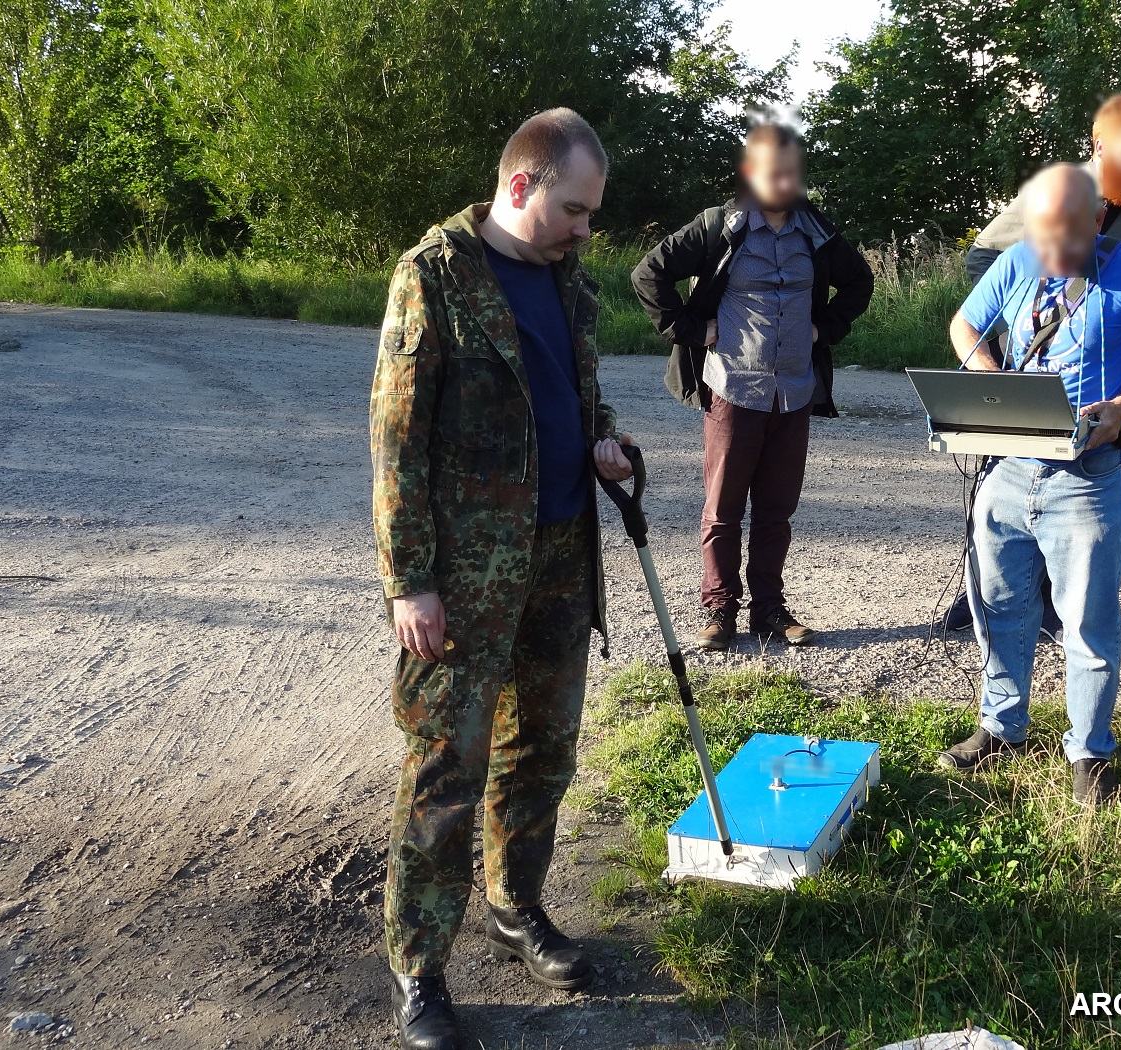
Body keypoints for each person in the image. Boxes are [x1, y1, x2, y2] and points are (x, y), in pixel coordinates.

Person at [369, 107, 633, 1050]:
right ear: (521, 186)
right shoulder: (433, 278)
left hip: (562, 556)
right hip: (467, 577)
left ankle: (514, 905)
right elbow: (395, 447)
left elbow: (577, 391)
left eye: (592, 213)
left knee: (542, 755)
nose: (584, 229)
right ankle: (420, 970)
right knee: (446, 774)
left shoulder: (570, 282)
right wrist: (410, 581)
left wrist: (603, 441)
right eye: (574, 208)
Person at [938, 164, 1121, 805]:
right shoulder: (1019, 258)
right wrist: (990, 379)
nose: (1050, 254)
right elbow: (963, 326)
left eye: (1066, 240)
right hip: (1005, 469)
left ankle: (1089, 753)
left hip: (1086, 478)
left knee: (1086, 625)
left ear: (1099, 220)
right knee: (999, 611)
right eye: (1043, 237)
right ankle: (1001, 730)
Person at [631, 122, 874, 651]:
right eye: (773, 173)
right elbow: (648, 274)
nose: (784, 182)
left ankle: (769, 609)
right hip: (733, 389)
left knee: (776, 509)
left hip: (795, 391)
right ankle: (719, 611)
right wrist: (694, 331)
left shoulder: (817, 231)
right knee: (722, 509)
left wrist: (824, 329)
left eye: (791, 173)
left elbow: (860, 282)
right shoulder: (721, 226)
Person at [944, 92, 1121, 641]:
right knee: (1000, 483)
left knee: (1077, 487)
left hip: (1097, 379)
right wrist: (1002, 363)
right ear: (1099, 146)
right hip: (1024, 364)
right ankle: (986, 593)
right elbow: (987, 259)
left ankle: (1051, 601)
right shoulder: (1050, 191)